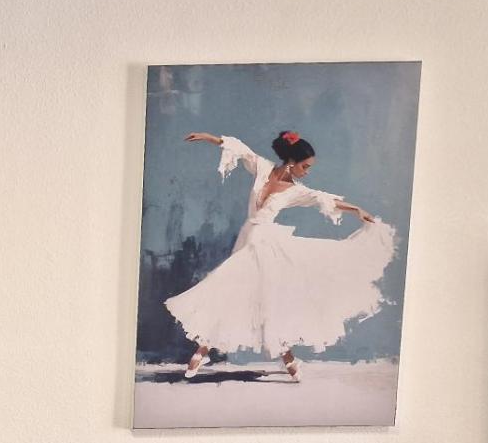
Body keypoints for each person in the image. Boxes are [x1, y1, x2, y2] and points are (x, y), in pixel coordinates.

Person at [168, 131, 395, 382]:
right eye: (305, 166)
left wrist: (356, 209)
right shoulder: (262, 168)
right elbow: (241, 149)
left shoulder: (295, 191)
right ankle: (279, 360)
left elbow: (321, 197)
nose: (307, 171)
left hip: (266, 245)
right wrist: (208, 137)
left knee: (262, 298)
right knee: (234, 294)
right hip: (248, 238)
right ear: (291, 162)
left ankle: (225, 354)